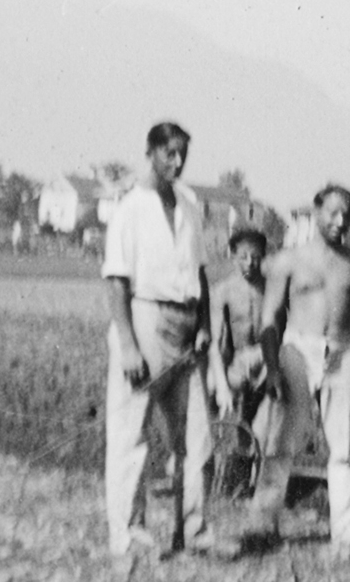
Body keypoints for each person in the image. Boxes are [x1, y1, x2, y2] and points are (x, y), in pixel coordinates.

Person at [254, 184, 350, 551]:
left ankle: (347, 533)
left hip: (343, 353)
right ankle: (263, 524)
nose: (340, 221)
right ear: (316, 212)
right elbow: (269, 319)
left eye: (346, 215)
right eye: (333, 212)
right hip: (298, 351)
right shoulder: (288, 261)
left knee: (345, 445)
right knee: (281, 440)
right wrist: (272, 368)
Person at [100, 121, 219, 559]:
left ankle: (194, 531)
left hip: (187, 324)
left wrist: (204, 325)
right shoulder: (130, 208)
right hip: (146, 318)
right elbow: (116, 280)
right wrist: (129, 345)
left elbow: (200, 273)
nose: (178, 161)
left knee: (197, 437)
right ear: (150, 153)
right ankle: (128, 533)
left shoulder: (188, 205)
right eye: (170, 153)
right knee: (132, 433)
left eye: (183, 153)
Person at [209, 226, 276, 433]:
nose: (249, 263)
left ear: (264, 256)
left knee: (259, 424)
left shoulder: (273, 289)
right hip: (235, 363)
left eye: (256, 257)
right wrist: (221, 386)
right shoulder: (223, 291)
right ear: (233, 256)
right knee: (209, 387)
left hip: (266, 360)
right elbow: (214, 343)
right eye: (243, 257)